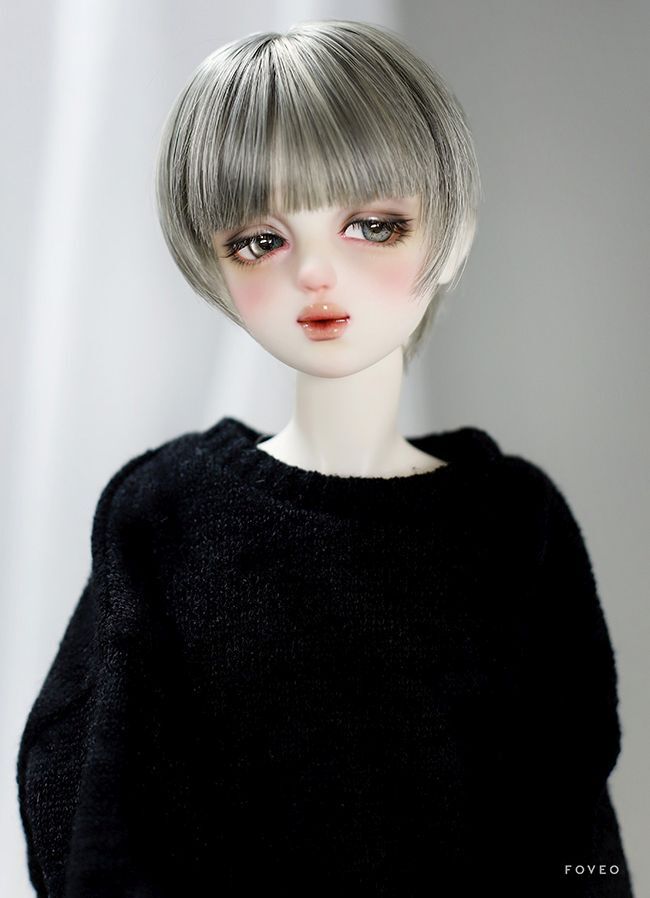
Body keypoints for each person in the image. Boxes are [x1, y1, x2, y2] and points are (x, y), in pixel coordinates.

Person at [17, 19, 634, 897]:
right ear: (212, 263)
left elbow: (574, 823)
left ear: (451, 234)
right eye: (260, 240)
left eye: (371, 226)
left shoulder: (514, 524)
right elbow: (89, 806)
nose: (315, 273)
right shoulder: (165, 513)